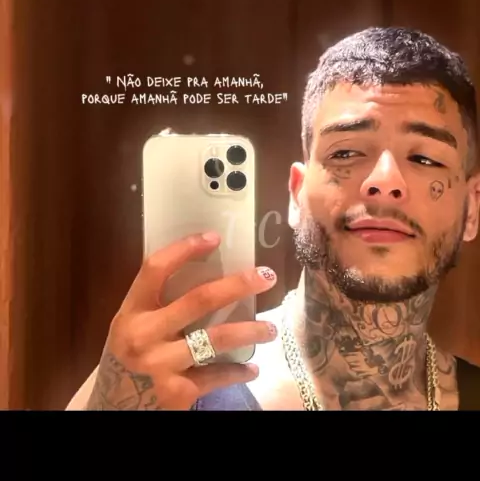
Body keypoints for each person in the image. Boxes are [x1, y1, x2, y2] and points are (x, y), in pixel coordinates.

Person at [67, 26, 480, 412]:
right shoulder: (163, 382)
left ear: (472, 208)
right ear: (296, 194)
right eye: (346, 152)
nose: (385, 182)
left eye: (425, 158)